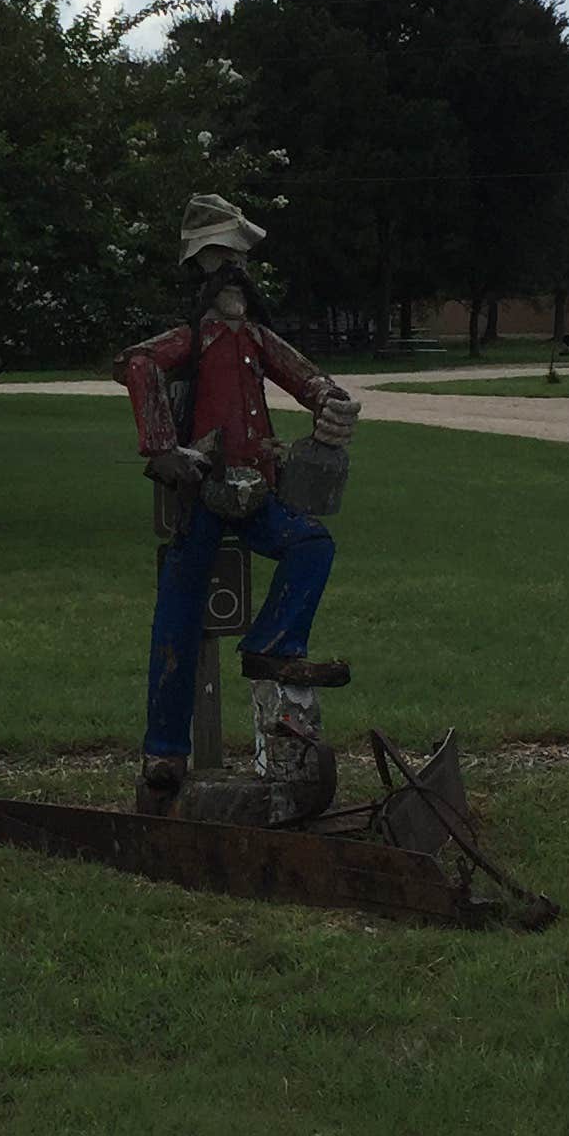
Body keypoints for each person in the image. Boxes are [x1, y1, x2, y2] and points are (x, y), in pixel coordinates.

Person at [113, 195, 359, 813]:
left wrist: (331, 404)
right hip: (203, 495)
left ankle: (272, 642)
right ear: (203, 268)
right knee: (177, 612)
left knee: (312, 544)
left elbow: (309, 379)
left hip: (256, 492)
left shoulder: (256, 339)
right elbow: (136, 362)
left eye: (240, 263)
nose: (234, 276)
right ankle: (165, 752)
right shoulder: (192, 340)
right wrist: (162, 446)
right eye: (222, 260)